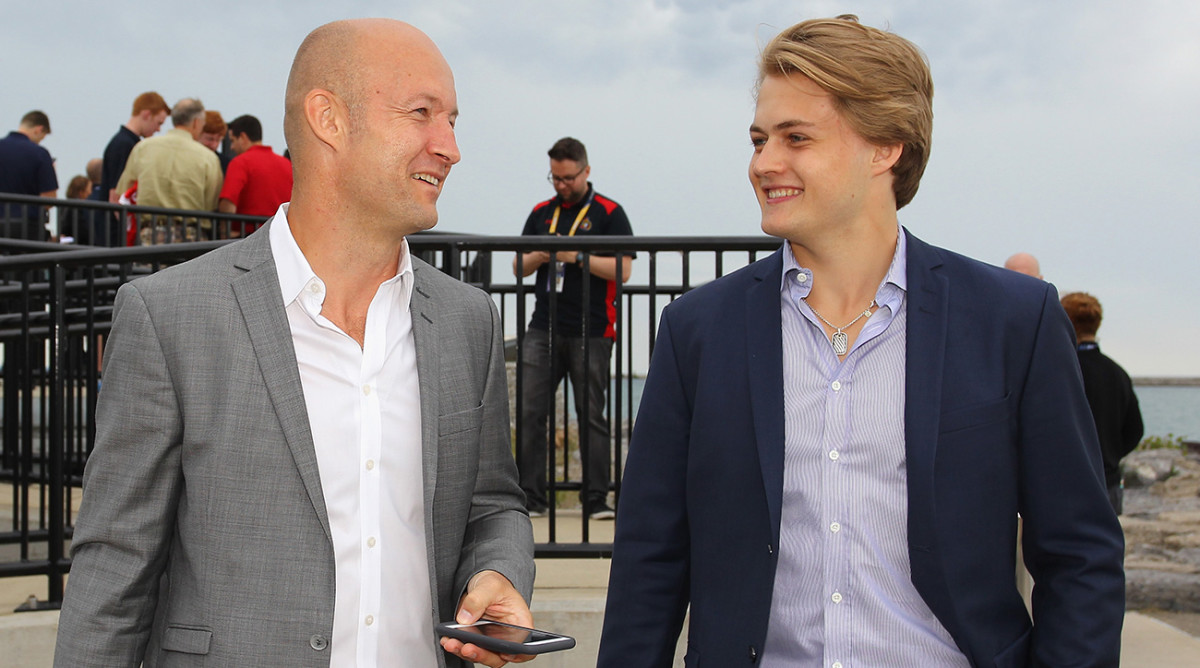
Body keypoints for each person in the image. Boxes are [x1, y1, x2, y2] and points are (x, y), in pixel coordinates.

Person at [598, 16, 1125, 668]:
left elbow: (1079, 553)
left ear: (886, 149)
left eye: (796, 137)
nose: (763, 163)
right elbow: (650, 559)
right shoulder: (697, 330)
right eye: (759, 139)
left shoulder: (1013, 320)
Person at [55, 18, 535, 668]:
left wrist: (498, 570)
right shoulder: (171, 317)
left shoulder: (467, 320)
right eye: (422, 113)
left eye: (452, 120)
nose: (449, 147)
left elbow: (492, 504)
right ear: (328, 118)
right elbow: (114, 569)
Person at [512, 136, 634, 520]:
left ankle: (596, 500)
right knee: (530, 412)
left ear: (586, 171)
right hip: (543, 327)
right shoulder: (541, 212)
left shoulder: (610, 213)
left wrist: (577, 256)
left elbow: (623, 270)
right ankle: (531, 498)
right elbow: (518, 266)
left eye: (568, 178)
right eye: (555, 178)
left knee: (591, 415)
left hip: (591, 328)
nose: (561, 185)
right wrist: (542, 254)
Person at [1062, 291, 1144, 514]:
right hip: (1109, 481)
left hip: (1070, 483)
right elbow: (1135, 430)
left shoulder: (1064, 371)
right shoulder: (1118, 373)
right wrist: (1110, 455)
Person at [116, 98, 222, 241]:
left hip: (149, 235)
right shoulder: (208, 158)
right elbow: (211, 203)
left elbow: (125, 192)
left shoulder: (143, 148)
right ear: (196, 122)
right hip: (191, 237)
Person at [219, 113, 293, 236]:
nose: (231, 147)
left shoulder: (240, 162)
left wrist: (224, 232)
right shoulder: (287, 165)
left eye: (232, 141)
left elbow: (228, 203)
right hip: (280, 237)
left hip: (247, 236)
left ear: (243, 137)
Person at [100, 91, 170, 203]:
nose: (158, 129)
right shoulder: (125, 145)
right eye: (159, 123)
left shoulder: (124, 142)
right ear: (147, 115)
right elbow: (116, 195)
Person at [0, 110, 57, 240]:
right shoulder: (40, 153)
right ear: (39, 129)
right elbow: (49, 199)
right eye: (42, 137)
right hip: (27, 227)